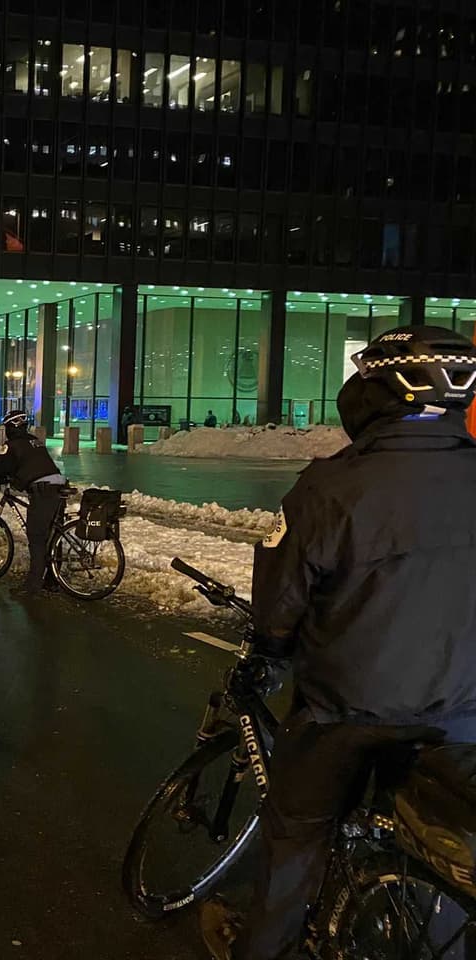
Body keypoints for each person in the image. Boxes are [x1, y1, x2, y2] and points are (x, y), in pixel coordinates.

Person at [201, 326, 476, 960]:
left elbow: (279, 607)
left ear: (381, 393)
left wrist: (265, 657)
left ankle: (265, 949)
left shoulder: (329, 489)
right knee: (430, 836)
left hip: (347, 710)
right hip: (461, 712)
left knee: (295, 834)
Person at [0, 410, 68, 596]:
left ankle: (33, 586)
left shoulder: (13, 445)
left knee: (36, 536)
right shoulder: (34, 441)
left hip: (43, 490)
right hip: (59, 485)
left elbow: (2, 464)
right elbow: (27, 464)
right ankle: (53, 580)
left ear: (11, 428)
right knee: (53, 535)